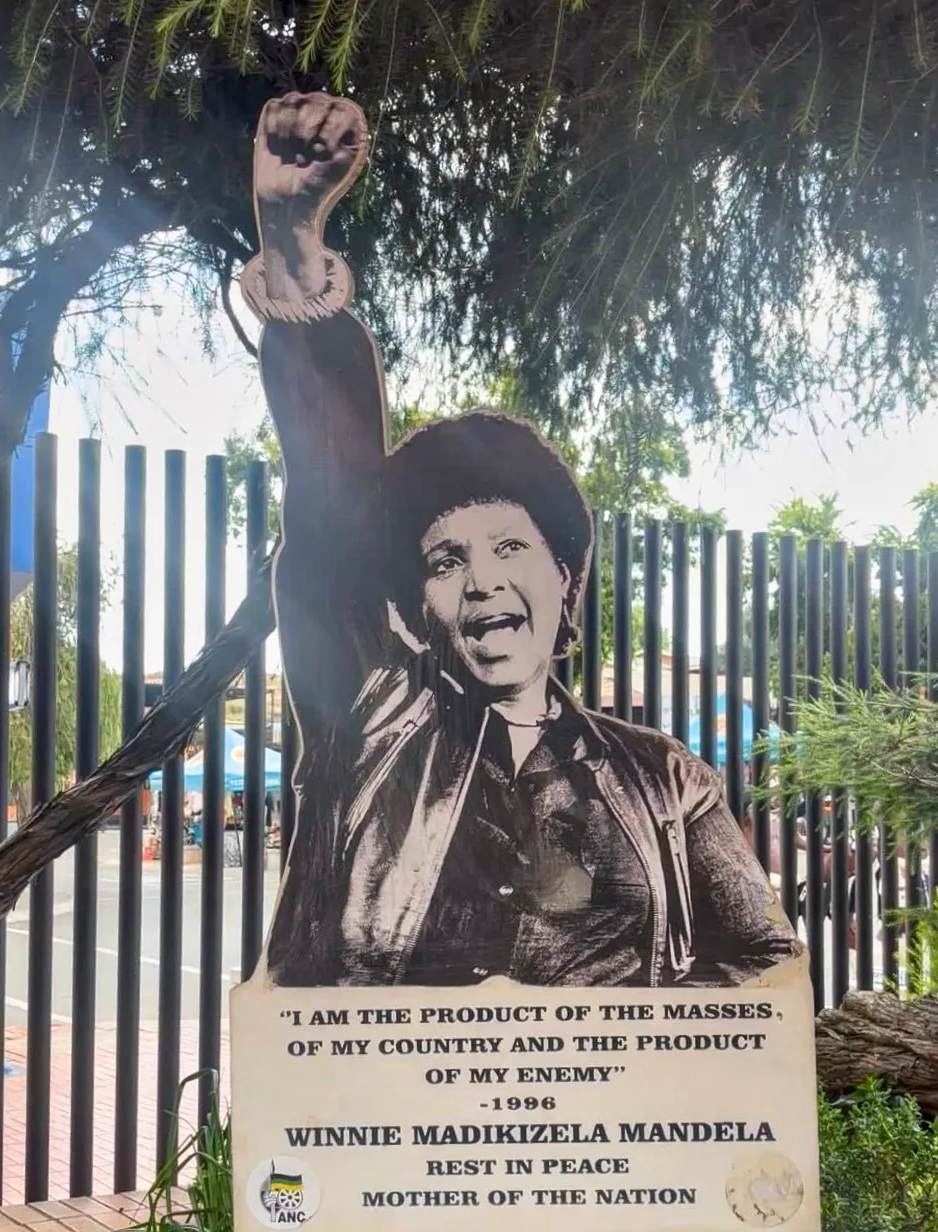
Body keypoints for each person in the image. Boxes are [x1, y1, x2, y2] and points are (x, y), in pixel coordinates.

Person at [243, 91, 802, 990]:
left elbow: (764, 961)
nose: (481, 582)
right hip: (384, 1086)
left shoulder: (664, 779)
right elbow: (326, 498)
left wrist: (609, 1041)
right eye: (445, 560)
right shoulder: (370, 716)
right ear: (411, 610)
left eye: (510, 548)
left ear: (564, 579)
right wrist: (292, 245)